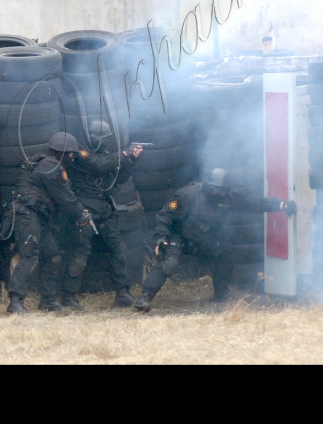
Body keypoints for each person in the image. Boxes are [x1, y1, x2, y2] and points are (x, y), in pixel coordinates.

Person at [135, 168, 298, 310]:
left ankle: (222, 295)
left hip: (204, 240)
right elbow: (164, 216)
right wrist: (161, 237)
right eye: (213, 189)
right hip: (179, 238)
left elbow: (254, 203)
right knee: (170, 262)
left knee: (226, 251)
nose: (216, 193)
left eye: (220, 190)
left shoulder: (229, 198)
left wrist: (281, 206)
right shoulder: (188, 195)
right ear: (206, 185)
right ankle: (145, 298)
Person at [5, 131, 92, 315]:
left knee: (52, 254)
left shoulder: (42, 162)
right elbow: (66, 197)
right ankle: (15, 302)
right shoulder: (52, 168)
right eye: (70, 154)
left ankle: (48, 300)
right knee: (29, 256)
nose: (72, 158)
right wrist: (81, 215)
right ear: (62, 153)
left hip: (34, 216)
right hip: (28, 216)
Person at [63, 120, 142, 310]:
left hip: (105, 210)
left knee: (119, 250)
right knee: (81, 254)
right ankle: (68, 296)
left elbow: (117, 179)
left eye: (108, 138)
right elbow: (98, 166)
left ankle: (122, 293)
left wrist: (131, 161)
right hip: (85, 210)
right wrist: (122, 155)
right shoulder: (81, 153)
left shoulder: (107, 155)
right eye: (103, 138)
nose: (106, 142)